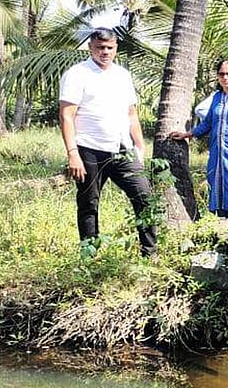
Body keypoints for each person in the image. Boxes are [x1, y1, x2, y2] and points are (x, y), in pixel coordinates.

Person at [59, 27, 157, 256]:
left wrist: (140, 146)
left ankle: (150, 253)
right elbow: (66, 116)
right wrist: (73, 153)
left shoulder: (122, 75)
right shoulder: (77, 74)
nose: (104, 52)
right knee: (89, 204)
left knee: (144, 197)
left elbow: (131, 114)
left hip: (122, 149)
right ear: (90, 47)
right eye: (100, 47)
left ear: (116, 48)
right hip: (89, 149)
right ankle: (90, 256)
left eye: (109, 48)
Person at [168, 59, 228, 224]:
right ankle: (224, 230)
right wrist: (187, 134)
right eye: (221, 74)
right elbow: (208, 123)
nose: (225, 78)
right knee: (219, 196)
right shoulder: (217, 97)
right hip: (218, 156)